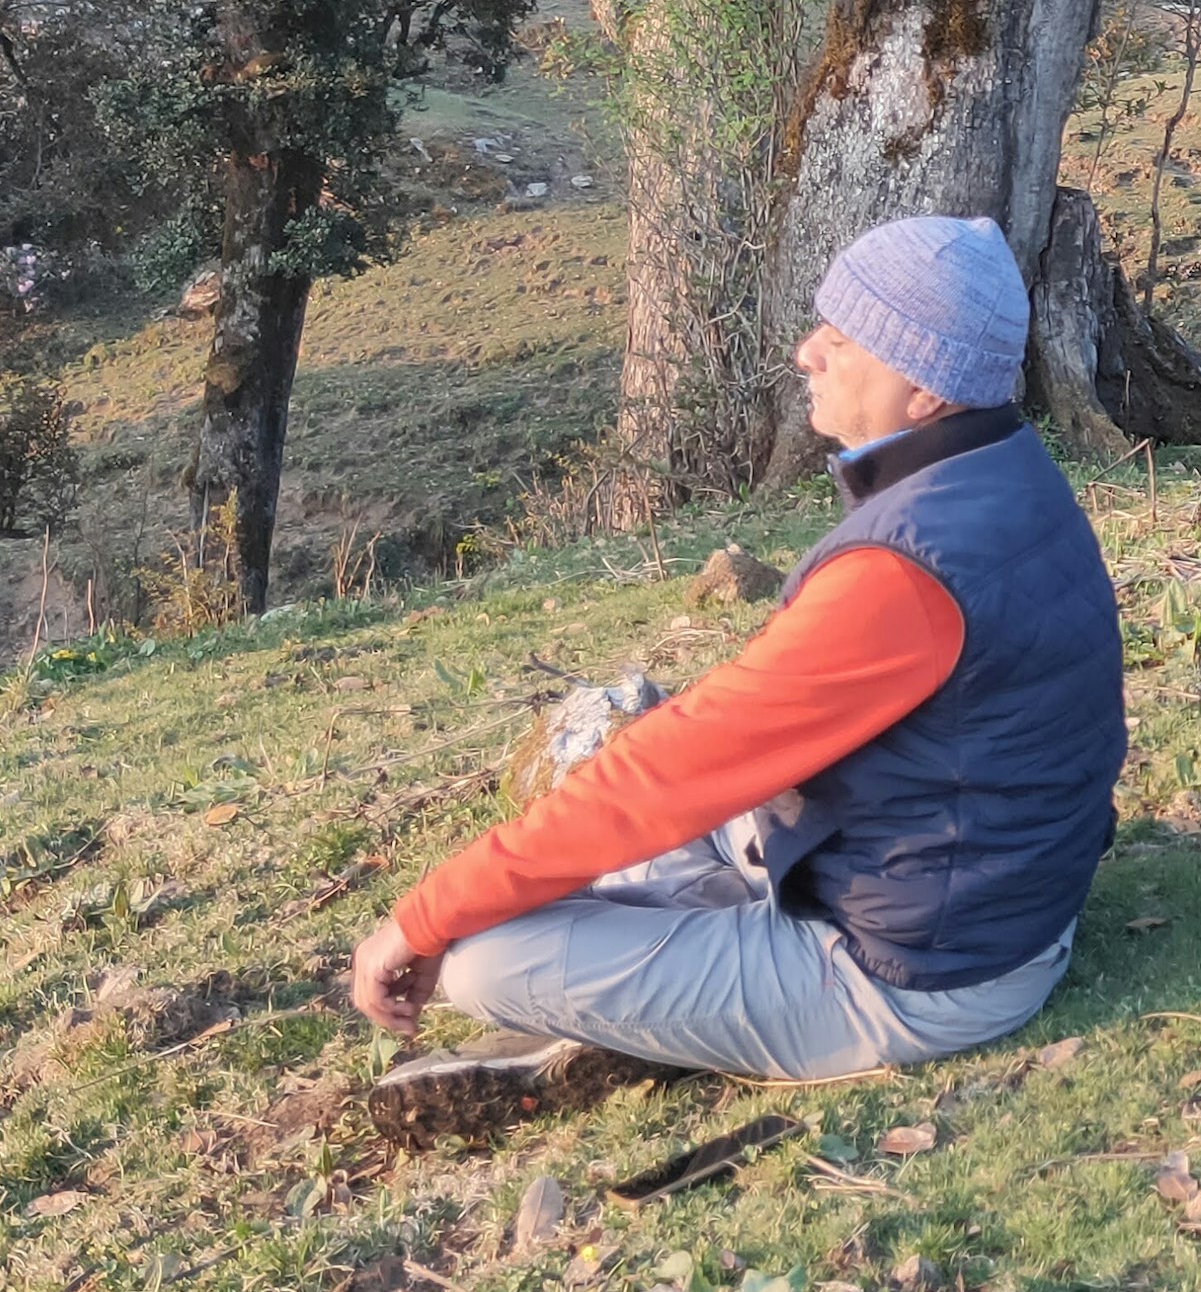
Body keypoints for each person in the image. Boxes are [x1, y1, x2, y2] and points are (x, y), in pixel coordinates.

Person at [349, 214, 1125, 1142]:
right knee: (626, 799)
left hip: (918, 976)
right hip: (975, 900)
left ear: (920, 389)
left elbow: (671, 774)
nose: (806, 354)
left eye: (838, 342)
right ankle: (678, 976)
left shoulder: (904, 572)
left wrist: (422, 919)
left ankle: (656, 1026)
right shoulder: (1000, 474)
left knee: (479, 958)